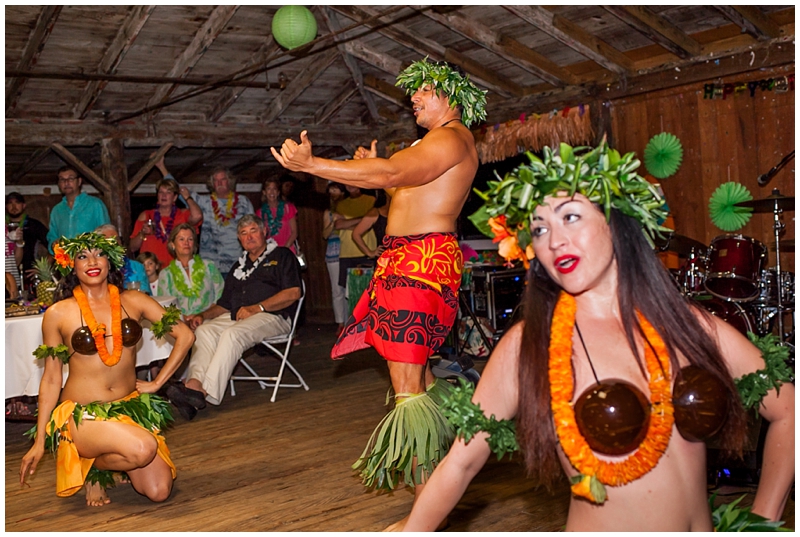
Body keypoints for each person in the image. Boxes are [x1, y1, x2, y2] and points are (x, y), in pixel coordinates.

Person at [398, 142, 795, 531]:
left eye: (570, 217)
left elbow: (788, 410)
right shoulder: (531, 344)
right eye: (539, 228)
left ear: (615, 220)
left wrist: (762, 521)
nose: (554, 241)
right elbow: (462, 462)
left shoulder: (686, 323)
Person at [272, 58, 486, 519]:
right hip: (410, 263)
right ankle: (469, 445)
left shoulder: (448, 137)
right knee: (421, 382)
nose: (414, 97)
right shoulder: (441, 143)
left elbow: (391, 176)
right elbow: (404, 192)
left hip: (419, 267)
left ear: (450, 96)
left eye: (424, 90)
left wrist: (314, 165)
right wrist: (377, 173)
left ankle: (424, 521)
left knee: (407, 392)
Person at [19, 232, 195, 507]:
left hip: (129, 407)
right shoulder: (59, 313)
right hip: (83, 416)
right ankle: (92, 468)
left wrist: (158, 382)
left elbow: (185, 335)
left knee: (159, 491)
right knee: (143, 448)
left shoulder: (134, 300)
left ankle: (108, 462)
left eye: (99, 254)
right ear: (71, 265)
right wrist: (40, 439)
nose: (92, 261)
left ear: (110, 261)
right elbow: (52, 378)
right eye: (82, 255)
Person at [166, 215, 302, 419]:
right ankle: (193, 386)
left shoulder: (282, 255)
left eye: (253, 230)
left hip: (273, 316)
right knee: (204, 330)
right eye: (243, 233)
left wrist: (258, 307)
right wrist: (202, 315)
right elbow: (224, 304)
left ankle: (203, 393)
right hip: (238, 315)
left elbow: (293, 293)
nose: (249, 237)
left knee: (232, 334)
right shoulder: (239, 266)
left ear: (264, 231)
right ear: (239, 239)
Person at [155, 158, 253, 274]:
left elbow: (253, 229)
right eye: (216, 180)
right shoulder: (204, 202)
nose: (219, 183)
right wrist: (162, 168)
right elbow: (180, 191)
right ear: (212, 184)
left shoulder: (243, 202)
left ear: (229, 181)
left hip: (237, 264)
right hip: (210, 265)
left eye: (223, 179)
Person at [130, 176, 202, 267]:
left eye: (168, 192)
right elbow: (132, 247)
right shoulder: (146, 215)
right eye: (161, 192)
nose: (164, 196)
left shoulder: (182, 215)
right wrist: (142, 233)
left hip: (176, 270)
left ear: (175, 197)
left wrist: (187, 197)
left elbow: (198, 216)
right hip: (152, 272)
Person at [156, 223, 224, 320]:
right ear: (172, 245)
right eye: (181, 239)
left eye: (190, 239)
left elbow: (221, 297)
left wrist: (203, 316)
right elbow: (164, 306)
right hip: (180, 323)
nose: (186, 243)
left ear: (195, 244)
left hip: (210, 319)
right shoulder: (166, 274)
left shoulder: (209, 266)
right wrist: (184, 319)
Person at [46, 166, 111, 252]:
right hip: (65, 262)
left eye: (71, 179)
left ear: (79, 181)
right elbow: (52, 237)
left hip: (91, 260)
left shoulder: (95, 204)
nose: (66, 182)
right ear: (59, 184)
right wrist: (54, 244)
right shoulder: (56, 210)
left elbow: (107, 234)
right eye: (62, 180)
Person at [332, 185, 376, 291]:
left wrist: (348, 223)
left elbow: (371, 225)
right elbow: (338, 225)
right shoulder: (341, 204)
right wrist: (363, 220)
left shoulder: (371, 200)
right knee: (351, 293)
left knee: (369, 291)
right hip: (347, 253)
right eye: (347, 183)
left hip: (366, 250)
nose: (350, 185)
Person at [6, 192, 49, 291]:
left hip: (29, 275)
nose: (13, 206)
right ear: (5, 206)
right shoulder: (3, 225)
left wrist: (41, 269)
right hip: (6, 274)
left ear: (23, 205)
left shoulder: (33, 225)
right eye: (10, 203)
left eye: (17, 202)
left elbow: (53, 247)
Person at [95, 224, 150, 295]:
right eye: (110, 240)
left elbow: (146, 294)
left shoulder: (137, 266)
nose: (115, 242)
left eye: (117, 239)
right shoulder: (96, 268)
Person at [323, 182, 347, 334]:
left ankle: (353, 321)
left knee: (349, 288)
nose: (334, 194)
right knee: (337, 290)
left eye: (336, 190)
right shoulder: (328, 213)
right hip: (333, 252)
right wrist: (333, 222)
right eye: (331, 191)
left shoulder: (351, 208)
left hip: (350, 249)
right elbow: (324, 235)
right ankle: (340, 323)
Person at [256, 177, 298, 253]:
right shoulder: (260, 212)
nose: (272, 192)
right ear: (264, 192)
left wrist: (284, 249)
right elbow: (260, 235)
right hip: (270, 252)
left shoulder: (288, 208)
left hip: (288, 251)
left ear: (278, 192)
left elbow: (294, 232)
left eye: (274, 189)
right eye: (269, 189)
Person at [352, 190, 391, 260]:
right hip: (384, 260)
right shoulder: (376, 212)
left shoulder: (403, 211)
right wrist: (370, 253)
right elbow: (356, 234)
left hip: (403, 257)